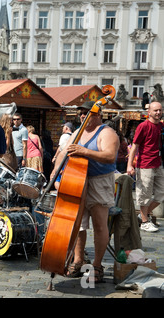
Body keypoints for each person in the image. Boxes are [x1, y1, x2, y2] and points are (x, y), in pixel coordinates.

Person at [51, 101, 119, 283]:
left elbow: (110, 156)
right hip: (77, 180)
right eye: (81, 113)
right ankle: (78, 260)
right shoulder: (77, 132)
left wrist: (84, 151)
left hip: (99, 181)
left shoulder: (107, 132)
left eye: (87, 113)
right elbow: (64, 153)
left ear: (98, 114)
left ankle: (97, 265)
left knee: (99, 224)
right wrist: (54, 172)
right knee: (78, 223)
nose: (83, 116)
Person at [127, 101, 163, 233]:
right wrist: (130, 165)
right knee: (144, 194)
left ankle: (142, 214)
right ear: (149, 112)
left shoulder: (161, 126)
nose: (158, 112)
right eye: (155, 110)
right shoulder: (143, 126)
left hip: (158, 164)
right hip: (145, 165)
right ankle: (144, 221)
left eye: (160, 110)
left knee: (161, 194)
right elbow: (134, 146)